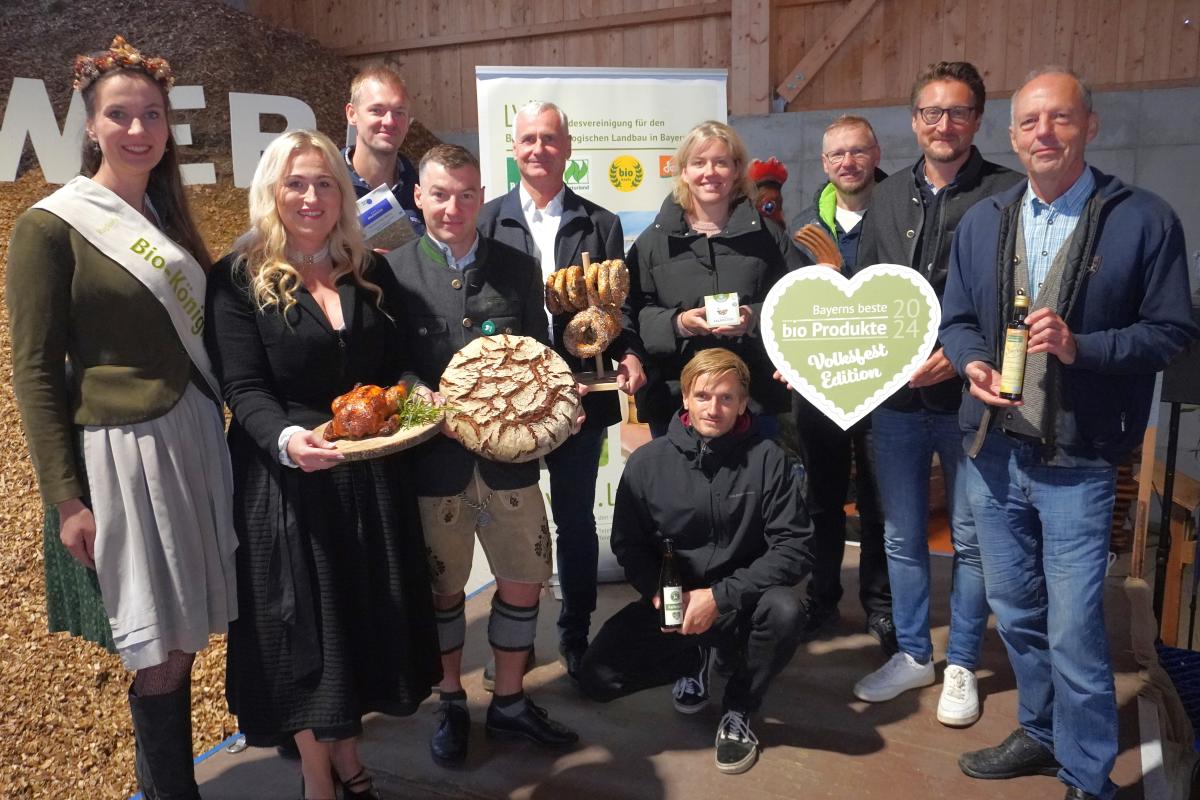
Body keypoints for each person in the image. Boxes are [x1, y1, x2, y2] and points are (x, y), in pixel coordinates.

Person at [941, 67, 1198, 800]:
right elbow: (957, 320)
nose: (1043, 134)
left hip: (1078, 462)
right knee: (1017, 612)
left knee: (1076, 630)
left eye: (1059, 119)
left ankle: (1087, 775)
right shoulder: (985, 221)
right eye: (1028, 122)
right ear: (1013, 135)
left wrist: (1086, 346)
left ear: (1091, 125)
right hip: (993, 455)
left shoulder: (1144, 219)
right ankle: (1042, 729)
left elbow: (1173, 332)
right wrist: (971, 363)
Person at [7, 36, 237, 798]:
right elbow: (37, 371)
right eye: (119, 115)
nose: (138, 129)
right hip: (123, 454)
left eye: (151, 115)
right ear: (90, 125)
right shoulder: (51, 226)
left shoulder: (169, 218)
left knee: (187, 634)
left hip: (195, 437)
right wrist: (65, 498)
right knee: (156, 648)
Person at [205, 129, 441, 800]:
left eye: (325, 183)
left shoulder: (367, 268)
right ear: (271, 193)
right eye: (296, 184)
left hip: (367, 476)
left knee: (359, 623)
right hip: (288, 482)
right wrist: (284, 440)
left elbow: (393, 364)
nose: (311, 197)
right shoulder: (238, 277)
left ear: (345, 193)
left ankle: (347, 751)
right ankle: (319, 776)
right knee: (307, 634)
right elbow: (243, 388)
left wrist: (418, 392)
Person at [385, 144, 582, 767]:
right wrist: (424, 400)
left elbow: (538, 352)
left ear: (481, 196)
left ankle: (512, 702)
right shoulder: (391, 270)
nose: (454, 207)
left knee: (524, 582)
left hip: (509, 465)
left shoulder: (518, 266)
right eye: (440, 194)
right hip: (434, 466)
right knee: (444, 593)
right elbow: (388, 364)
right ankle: (450, 702)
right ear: (418, 196)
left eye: (467, 194)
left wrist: (559, 395)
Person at [851, 61, 1023, 727]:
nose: (943, 124)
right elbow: (867, 295)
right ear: (914, 120)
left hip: (969, 402)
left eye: (957, 112)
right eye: (930, 112)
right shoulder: (888, 197)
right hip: (894, 404)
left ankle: (963, 665)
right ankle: (915, 653)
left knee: (973, 540)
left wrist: (958, 356)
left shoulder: (1007, 194)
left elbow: (1018, 298)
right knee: (899, 536)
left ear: (977, 119)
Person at [578, 348, 812, 775]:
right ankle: (695, 657)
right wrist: (658, 594)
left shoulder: (768, 459)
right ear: (685, 398)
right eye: (703, 396)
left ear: (744, 403)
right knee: (597, 678)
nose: (714, 408)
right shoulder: (649, 463)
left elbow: (794, 548)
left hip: (743, 600)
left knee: (786, 611)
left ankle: (739, 706)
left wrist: (719, 598)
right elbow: (629, 544)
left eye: (727, 398)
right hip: (675, 602)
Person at [477, 100, 647, 680]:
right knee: (515, 524)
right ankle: (516, 640)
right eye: (528, 139)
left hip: (584, 396)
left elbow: (615, 311)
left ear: (568, 148)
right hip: (514, 403)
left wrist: (625, 355)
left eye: (550, 139)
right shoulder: (488, 220)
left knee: (575, 518)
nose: (538, 150)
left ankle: (575, 631)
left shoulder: (601, 224)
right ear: (514, 149)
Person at [787, 115, 895, 655]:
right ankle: (823, 595)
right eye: (836, 155)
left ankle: (880, 604)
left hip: (886, 386)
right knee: (823, 500)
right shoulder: (804, 226)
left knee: (878, 500)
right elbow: (788, 303)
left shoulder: (903, 215)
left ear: (875, 154)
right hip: (820, 388)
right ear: (825, 164)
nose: (847, 163)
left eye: (857, 152)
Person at [627, 120, 803, 438]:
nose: (710, 172)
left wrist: (753, 317)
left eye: (721, 162)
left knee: (753, 487)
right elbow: (632, 313)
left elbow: (801, 297)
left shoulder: (768, 236)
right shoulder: (652, 242)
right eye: (699, 163)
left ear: (736, 170)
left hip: (754, 399)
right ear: (683, 172)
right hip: (674, 401)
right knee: (678, 489)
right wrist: (679, 323)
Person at [343, 64, 425, 235]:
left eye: (399, 112)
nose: (389, 121)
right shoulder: (325, 188)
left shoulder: (424, 192)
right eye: (377, 110)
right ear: (352, 114)